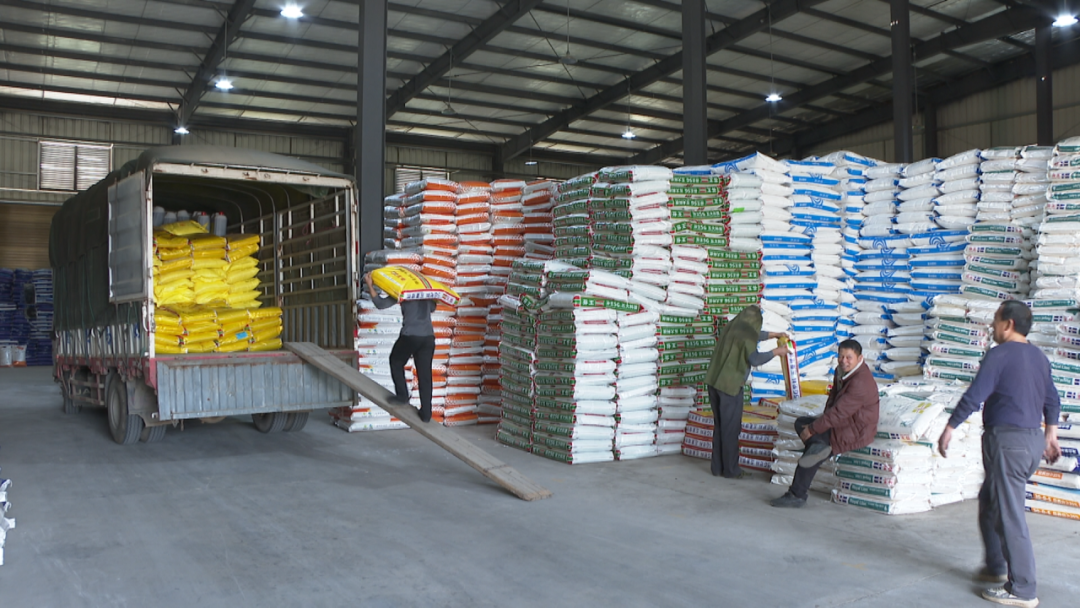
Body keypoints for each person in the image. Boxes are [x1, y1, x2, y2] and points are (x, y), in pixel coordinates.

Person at [937, 300, 1060, 608]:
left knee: (1010, 515)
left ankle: (1023, 589)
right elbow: (1053, 400)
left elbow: (975, 395)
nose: (992, 325)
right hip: (1030, 442)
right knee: (991, 501)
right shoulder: (1038, 357)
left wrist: (950, 427)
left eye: (995, 319)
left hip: (1008, 443)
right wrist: (1051, 434)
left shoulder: (999, 355)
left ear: (1008, 324)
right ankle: (996, 566)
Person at [771, 339, 879, 508]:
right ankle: (818, 446)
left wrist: (813, 429)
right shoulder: (841, 371)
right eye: (841, 356)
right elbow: (832, 401)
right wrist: (816, 426)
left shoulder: (860, 383)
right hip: (842, 423)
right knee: (801, 423)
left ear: (860, 358)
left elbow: (839, 413)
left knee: (810, 454)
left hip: (854, 430)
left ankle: (797, 495)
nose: (843, 361)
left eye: (849, 357)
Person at [704, 305, 791, 478]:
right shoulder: (747, 335)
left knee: (720, 427)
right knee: (731, 429)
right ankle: (731, 471)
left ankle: (717, 468)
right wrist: (777, 352)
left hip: (714, 382)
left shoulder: (732, 327)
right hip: (729, 386)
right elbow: (755, 359)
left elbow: (754, 335)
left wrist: (773, 334)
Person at [364, 272, 438, 423]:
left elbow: (381, 304)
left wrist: (370, 286)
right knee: (425, 375)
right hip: (428, 337)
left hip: (410, 336)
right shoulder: (425, 292)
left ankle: (402, 396)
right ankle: (426, 414)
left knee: (396, 361)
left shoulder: (403, 290)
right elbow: (432, 308)